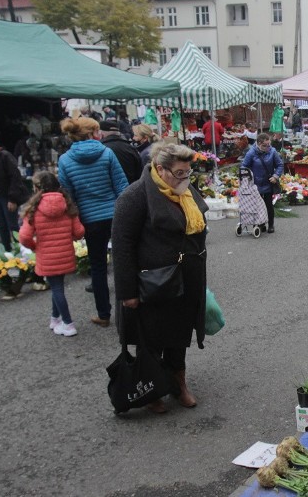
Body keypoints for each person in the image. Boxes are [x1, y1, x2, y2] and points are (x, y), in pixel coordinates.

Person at [112, 143, 209, 413]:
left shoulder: (185, 191)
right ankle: (153, 387)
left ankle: (178, 384)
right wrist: (127, 292)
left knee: (179, 334)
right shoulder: (134, 196)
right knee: (152, 337)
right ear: (159, 169)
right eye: (179, 173)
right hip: (152, 283)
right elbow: (122, 246)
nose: (185, 179)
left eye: (188, 173)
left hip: (186, 277)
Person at [58, 117, 129, 328]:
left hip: (90, 219)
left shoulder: (65, 160)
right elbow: (122, 186)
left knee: (98, 267)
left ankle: (104, 314)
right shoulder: (106, 153)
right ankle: (130, 309)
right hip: (115, 214)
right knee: (124, 262)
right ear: (92, 133)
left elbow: (67, 195)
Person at [18, 172, 85, 337]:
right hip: (65, 253)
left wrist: (35, 246)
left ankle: (68, 324)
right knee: (58, 287)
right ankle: (55, 318)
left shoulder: (34, 209)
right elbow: (79, 232)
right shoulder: (67, 205)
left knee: (56, 288)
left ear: (37, 188)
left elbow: (25, 236)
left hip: (46, 255)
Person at [241, 133, 283, 234]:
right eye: (265, 145)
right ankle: (260, 224)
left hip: (268, 182)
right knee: (257, 205)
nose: (268, 147)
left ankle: (271, 224)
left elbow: (279, 165)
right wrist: (247, 179)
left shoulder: (272, 152)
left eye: (269, 145)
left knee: (268, 204)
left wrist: (275, 176)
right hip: (255, 184)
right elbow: (244, 167)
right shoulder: (251, 153)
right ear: (259, 144)